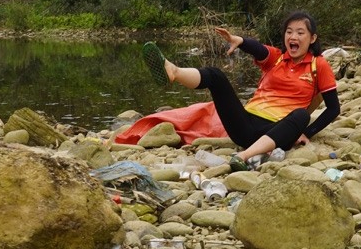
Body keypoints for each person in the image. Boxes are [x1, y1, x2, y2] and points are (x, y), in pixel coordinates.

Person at [142, 10, 340, 171]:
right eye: (289, 32)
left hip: (277, 132)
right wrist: (240, 40)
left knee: (301, 115)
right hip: (244, 125)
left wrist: (307, 132)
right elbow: (258, 49)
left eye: (300, 32)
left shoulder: (318, 65)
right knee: (216, 76)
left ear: (312, 38)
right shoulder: (278, 58)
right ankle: (174, 71)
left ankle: (243, 156)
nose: (293, 37)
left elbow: (333, 108)